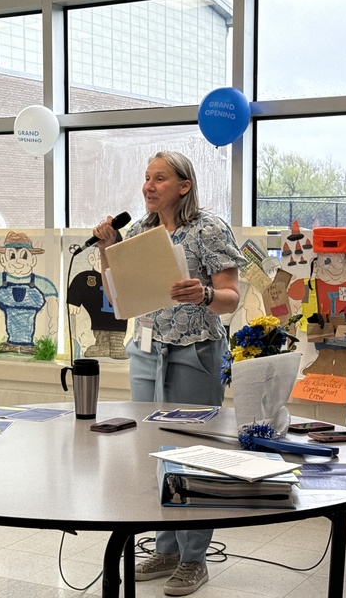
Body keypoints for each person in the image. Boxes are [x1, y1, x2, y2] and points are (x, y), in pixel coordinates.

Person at [93, 151, 246, 596]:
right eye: (145, 178)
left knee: (193, 450)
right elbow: (117, 296)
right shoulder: (138, 232)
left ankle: (194, 558)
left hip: (196, 350)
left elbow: (231, 298)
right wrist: (106, 250)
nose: (148, 186)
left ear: (184, 186)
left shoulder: (209, 229)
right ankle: (166, 548)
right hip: (146, 349)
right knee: (152, 449)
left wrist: (203, 294)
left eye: (159, 178)